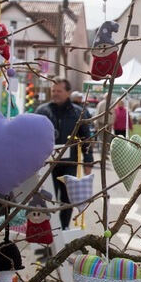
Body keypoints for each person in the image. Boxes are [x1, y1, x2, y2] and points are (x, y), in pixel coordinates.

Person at [35, 79, 93, 229]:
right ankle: (50, 227)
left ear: (68, 92)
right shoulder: (42, 111)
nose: (55, 94)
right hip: (48, 163)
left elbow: (86, 138)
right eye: (53, 91)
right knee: (48, 195)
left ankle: (64, 226)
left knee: (67, 197)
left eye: (59, 91)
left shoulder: (78, 112)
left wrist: (88, 161)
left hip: (70, 163)